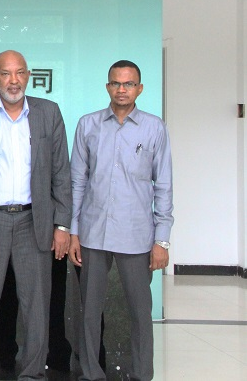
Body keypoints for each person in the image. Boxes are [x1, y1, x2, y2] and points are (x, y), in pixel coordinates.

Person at [0, 50, 72, 380]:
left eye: (19, 72)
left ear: (28, 76)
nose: (13, 80)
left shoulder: (48, 113)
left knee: (36, 307)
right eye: (6, 74)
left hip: (34, 222)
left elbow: (61, 173)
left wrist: (62, 224)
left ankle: (32, 374)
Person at [69, 59, 172, 381]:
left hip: (137, 234)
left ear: (139, 89)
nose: (122, 89)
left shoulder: (154, 127)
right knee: (89, 311)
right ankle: (91, 373)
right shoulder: (88, 125)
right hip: (93, 232)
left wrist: (162, 239)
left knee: (140, 312)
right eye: (116, 83)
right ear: (107, 87)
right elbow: (77, 182)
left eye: (128, 84)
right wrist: (73, 232)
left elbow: (164, 185)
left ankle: (142, 374)